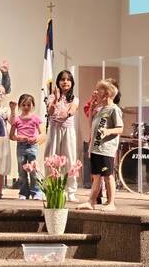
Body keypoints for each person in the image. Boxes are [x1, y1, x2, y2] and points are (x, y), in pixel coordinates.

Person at [78, 80, 123, 211]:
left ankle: (111, 203)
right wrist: (92, 108)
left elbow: (120, 128)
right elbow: (91, 125)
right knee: (96, 176)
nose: (95, 92)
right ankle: (91, 202)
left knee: (108, 176)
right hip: (96, 148)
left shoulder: (114, 109)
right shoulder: (100, 109)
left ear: (107, 94)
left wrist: (107, 131)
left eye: (99, 90)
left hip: (106, 150)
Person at [44, 70, 79, 202]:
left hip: (68, 131)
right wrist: (56, 99)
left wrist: (66, 114)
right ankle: (50, 189)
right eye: (62, 79)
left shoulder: (74, 98)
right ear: (58, 82)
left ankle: (70, 191)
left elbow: (72, 110)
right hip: (54, 130)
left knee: (70, 159)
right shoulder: (51, 97)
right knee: (52, 158)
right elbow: (50, 112)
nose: (65, 82)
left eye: (68, 80)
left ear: (72, 83)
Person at [9, 94, 45, 200]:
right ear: (20, 106)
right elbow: (11, 136)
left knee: (34, 169)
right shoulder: (17, 119)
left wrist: (36, 138)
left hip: (32, 146)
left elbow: (42, 133)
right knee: (22, 171)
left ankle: (36, 192)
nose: (26, 107)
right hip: (21, 146)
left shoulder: (35, 118)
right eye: (23, 105)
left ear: (33, 105)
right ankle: (23, 192)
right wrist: (20, 137)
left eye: (28, 105)